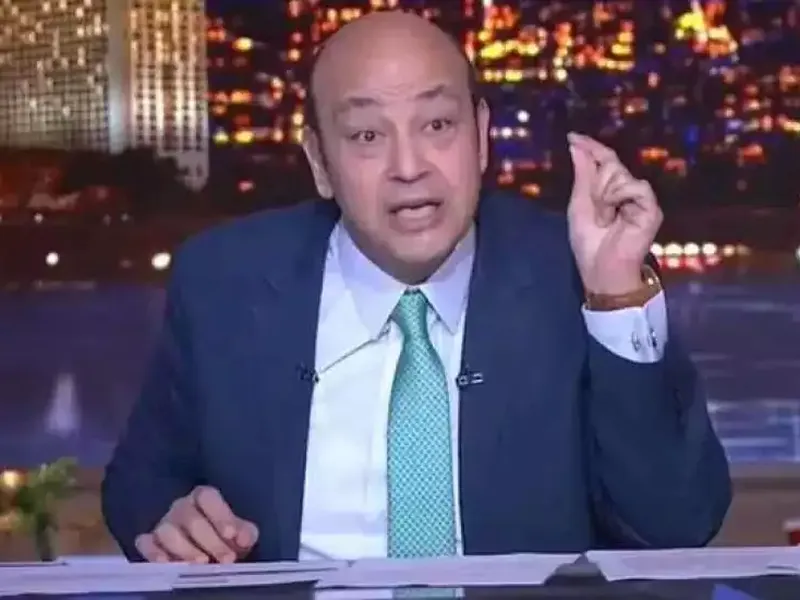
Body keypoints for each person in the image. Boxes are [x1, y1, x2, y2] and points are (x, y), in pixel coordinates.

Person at [102, 11, 731, 564]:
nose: (409, 167)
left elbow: (676, 526)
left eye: (437, 124)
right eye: (367, 136)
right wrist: (170, 520)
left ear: (481, 136)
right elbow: (139, 486)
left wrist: (614, 295)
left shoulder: (571, 272)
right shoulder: (224, 282)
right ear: (319, 161)